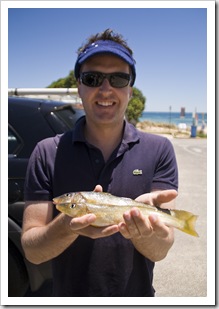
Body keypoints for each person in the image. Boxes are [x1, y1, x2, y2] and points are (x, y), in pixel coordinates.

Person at [21, 29, 178, 297]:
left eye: (118, 78)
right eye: (92, 78)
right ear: (79, 87)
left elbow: (161, 250)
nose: (105, 89)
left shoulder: (159, 149)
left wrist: (141, 230)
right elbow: (33, 252)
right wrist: (68, 224)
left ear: (130, 88)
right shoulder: (47, 152)